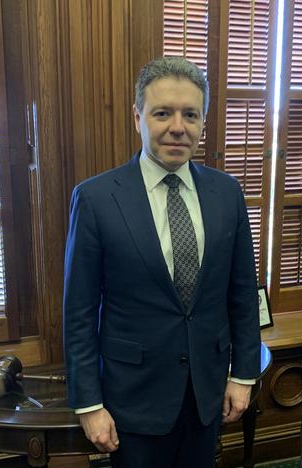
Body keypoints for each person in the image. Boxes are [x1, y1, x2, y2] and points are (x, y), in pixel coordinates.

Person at [63, 56, 261, 468]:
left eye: (190, 114)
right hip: (132, 399)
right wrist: (88, 404)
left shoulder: (228, 193)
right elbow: (78, 312)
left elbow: (242, 294)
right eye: (162, 113)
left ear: (203, 121)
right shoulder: (97, 199)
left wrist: (242, 376)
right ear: (138, 117)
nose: (177, 126)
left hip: (207, 394)